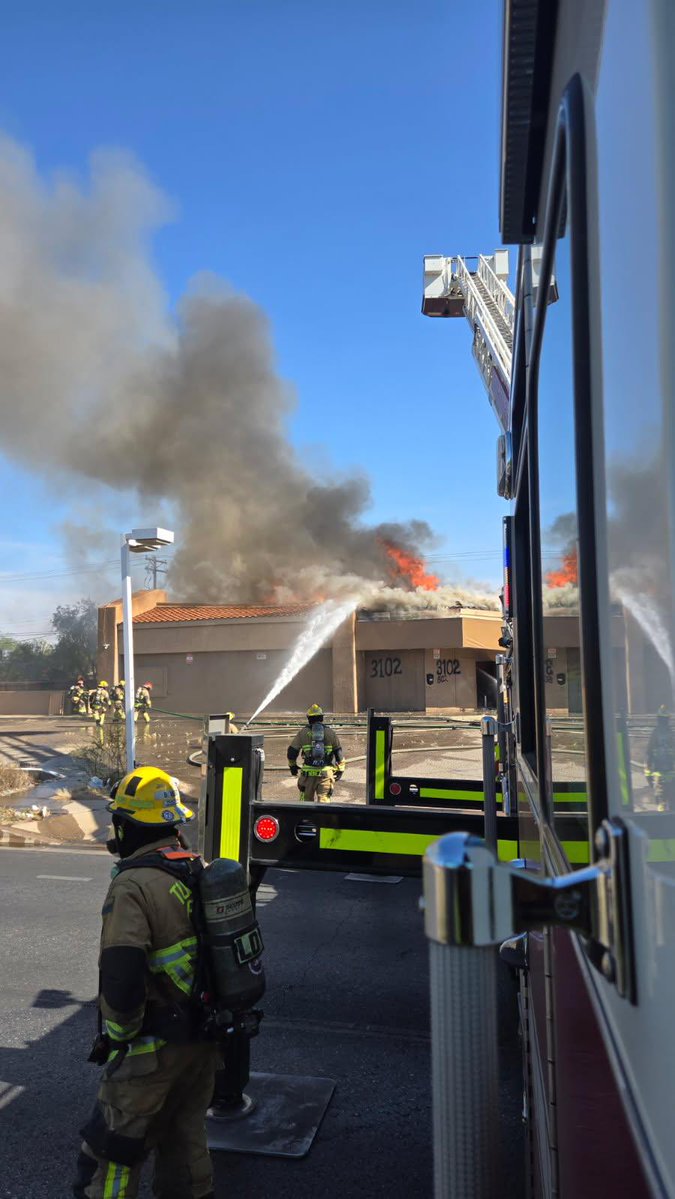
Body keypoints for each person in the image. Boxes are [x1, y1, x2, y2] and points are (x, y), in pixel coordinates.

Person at [73, 766, 217, 1199]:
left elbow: (121, 973)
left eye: (117, 819)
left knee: (112, 1151)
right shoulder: (197, 869)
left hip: (152, 1048)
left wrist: (120, 1039)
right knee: (184, 1138)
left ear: (129, 825)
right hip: (203, 1042)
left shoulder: (133, 885)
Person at [287, 703, 345, 802]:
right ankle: (323, 818)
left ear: (309, 718)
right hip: (325, 774)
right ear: (322, 718)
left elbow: (292, 752)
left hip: (307, 775)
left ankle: (305, 818)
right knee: (324, 802)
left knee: (305, 804)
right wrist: (340, 770)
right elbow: (339, 753)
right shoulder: (330, 733)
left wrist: (292, 766)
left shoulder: (303, 732)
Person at [645, 705, 675, 812]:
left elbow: (649, 754)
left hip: (660, 775)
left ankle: (663, 821)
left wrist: (648, 774)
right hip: (670, 774)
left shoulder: (655, 734)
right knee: (671, 802)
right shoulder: (672, 734)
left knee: (662, 802)